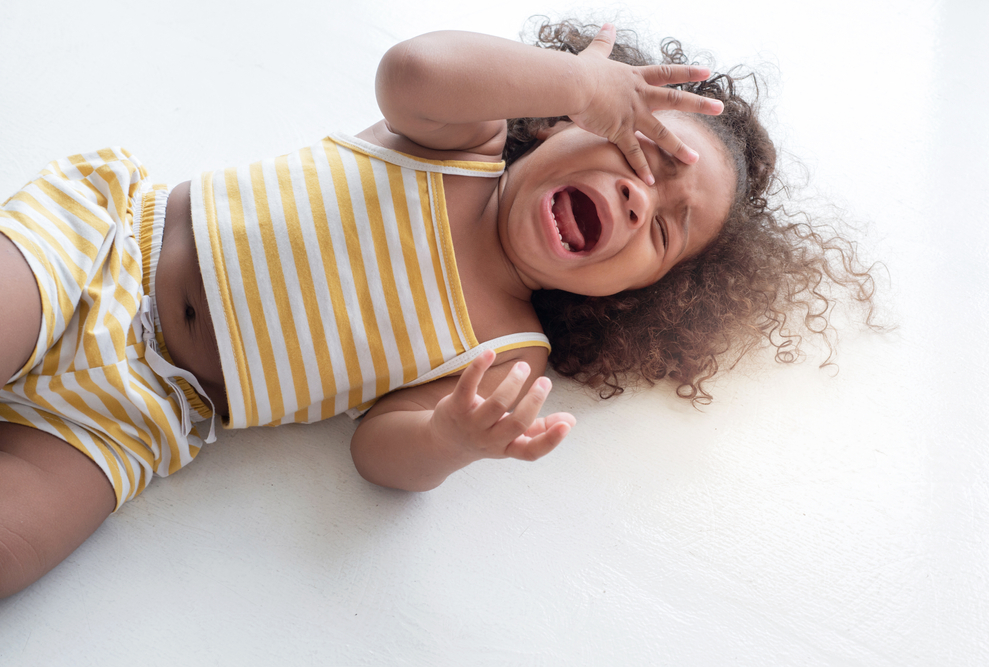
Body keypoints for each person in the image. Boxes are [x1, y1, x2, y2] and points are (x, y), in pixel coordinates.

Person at [0, 21, 876, 597]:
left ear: (633, 296)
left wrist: (451, 439)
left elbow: (379, 453)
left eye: (664, 231)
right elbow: (412, 71)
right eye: (643, 150)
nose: (641, 197)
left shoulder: (510, 350)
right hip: (108, 251)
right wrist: (576, 80)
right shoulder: (458, 145)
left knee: (15, 548)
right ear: (560, 121)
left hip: (150, 409)